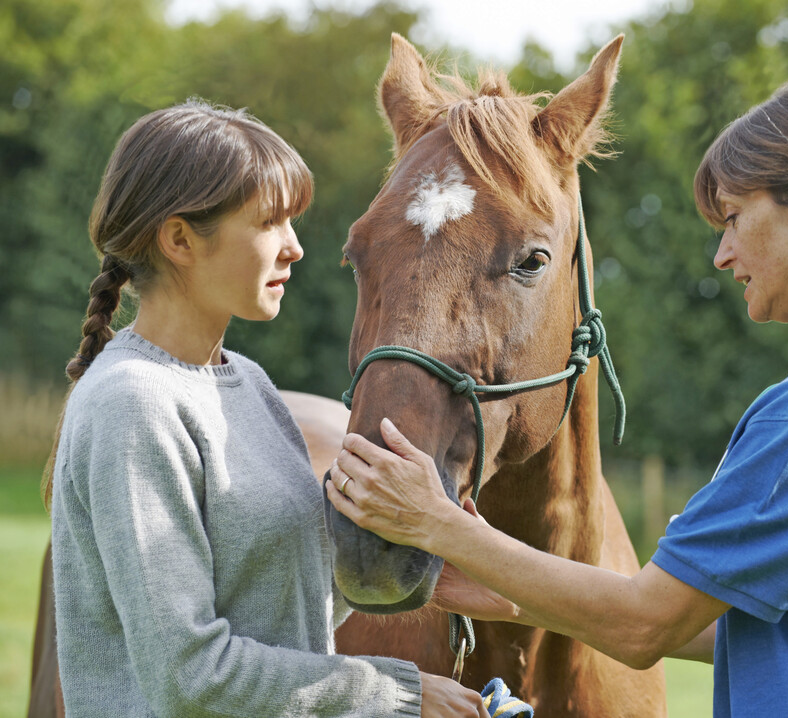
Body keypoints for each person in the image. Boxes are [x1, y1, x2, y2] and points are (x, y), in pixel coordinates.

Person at [326, 72, 788, 716]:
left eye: (732, 218)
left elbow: (646, 624)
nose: (721, 254)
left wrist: (439, 525)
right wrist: (513, 588)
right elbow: (764, 626)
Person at [46, 100, 489, 717]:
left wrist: (428, 573)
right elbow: (190, 675)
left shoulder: (247, 383)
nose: (296, 249)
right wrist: (399, 696)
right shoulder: (132, 404)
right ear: (178, 239)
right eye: (271, 223)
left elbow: (280, 605)